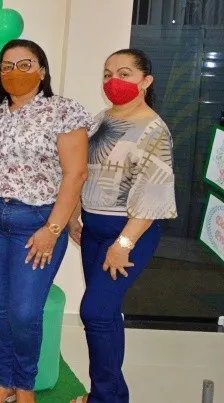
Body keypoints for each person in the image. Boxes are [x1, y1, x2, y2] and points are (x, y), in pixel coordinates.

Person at [0, 40, 92, 403]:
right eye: (7, 66)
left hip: (38, 224)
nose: (15, 72)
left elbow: (76, 174)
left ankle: (25, 384)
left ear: (42, 70)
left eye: (25, 64)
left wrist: (53, 230)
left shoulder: (63, 111)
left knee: (24, 311)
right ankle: (5, 380)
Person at [69, 49, 176, 403]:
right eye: (107, 73)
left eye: (125, 73)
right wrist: (73, 215)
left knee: (94, 311)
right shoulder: (102, 119)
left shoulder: (154, 130)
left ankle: (107, 397)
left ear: (146, 81)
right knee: (106, 315)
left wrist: (124, 244)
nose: (113, 80)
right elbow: (83, 170)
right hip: (93, 229)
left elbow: (153, 194)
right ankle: (108, 394)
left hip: (130, 233)